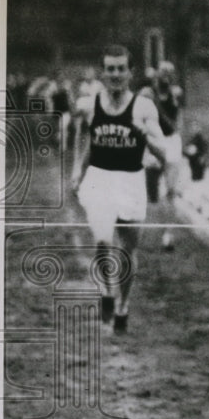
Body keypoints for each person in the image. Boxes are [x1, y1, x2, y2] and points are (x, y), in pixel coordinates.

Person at [70, 44, 167, 334]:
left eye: (120, 69)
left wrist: (144, 136)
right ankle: (106, 291)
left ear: (130, 72)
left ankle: (123, 304)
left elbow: (164, 152)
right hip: (100, 178)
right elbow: (87, 140)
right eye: (109, 69)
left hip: (131, 180)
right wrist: (78, 168)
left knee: (127, 249)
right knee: (102, 240)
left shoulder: (143, 107)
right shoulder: (90, 105)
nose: (115, 74)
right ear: (102, 72)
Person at [141, 60, 186, 250]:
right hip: (154, 142)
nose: (166, 76)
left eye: (170, 73)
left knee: (170, 191)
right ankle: (152, 228)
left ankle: (169, 234)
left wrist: (179, 143)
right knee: (151, 194)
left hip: (171, 141)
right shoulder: (147, 94)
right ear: (157, 75)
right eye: (163, 72)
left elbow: (180, 120)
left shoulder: (176, 95)